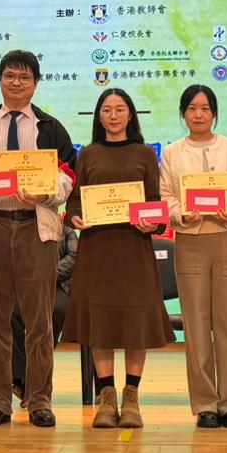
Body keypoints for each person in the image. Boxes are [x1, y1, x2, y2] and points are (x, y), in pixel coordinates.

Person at [0, 49, 76, 429]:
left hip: (36, 228)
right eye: (9, 76)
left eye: (24, 77)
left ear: (36, 83)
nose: (16, 83)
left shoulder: (50, 128)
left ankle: (39, 400)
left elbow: (68, 175)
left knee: (39, 321)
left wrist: (45, 192)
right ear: (0, 80)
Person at [60, 87, 174, 429]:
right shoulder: (88, 154)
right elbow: (75, 201)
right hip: (97, 249)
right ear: (99, 116)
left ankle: (132, 397)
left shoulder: (144, 154)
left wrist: (154, 223)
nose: (113, 115)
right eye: (107, 110)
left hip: (134, 248)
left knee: (135, 323)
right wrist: (74, 217)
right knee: (101, 323)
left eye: (120, 109)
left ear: (130, 114)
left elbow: (155, 202)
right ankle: (106, 398)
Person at [159, 83, 227, 428]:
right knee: (195, 325)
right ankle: (205, 404)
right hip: (190, 241)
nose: (199, 115)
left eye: (205, 108)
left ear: (214, 113)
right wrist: (181, 213)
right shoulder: (172, 152)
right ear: (183, 114)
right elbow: (165, 194)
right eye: (192, 109)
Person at [11, 223, 76, 404]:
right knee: (10, 312)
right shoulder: (18, 227)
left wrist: (46, 274)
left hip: (56, 284)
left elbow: (74, 256)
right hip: (22, 286)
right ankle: (22, 377)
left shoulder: (66, 231)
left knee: (56, 310)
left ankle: (36, 374)